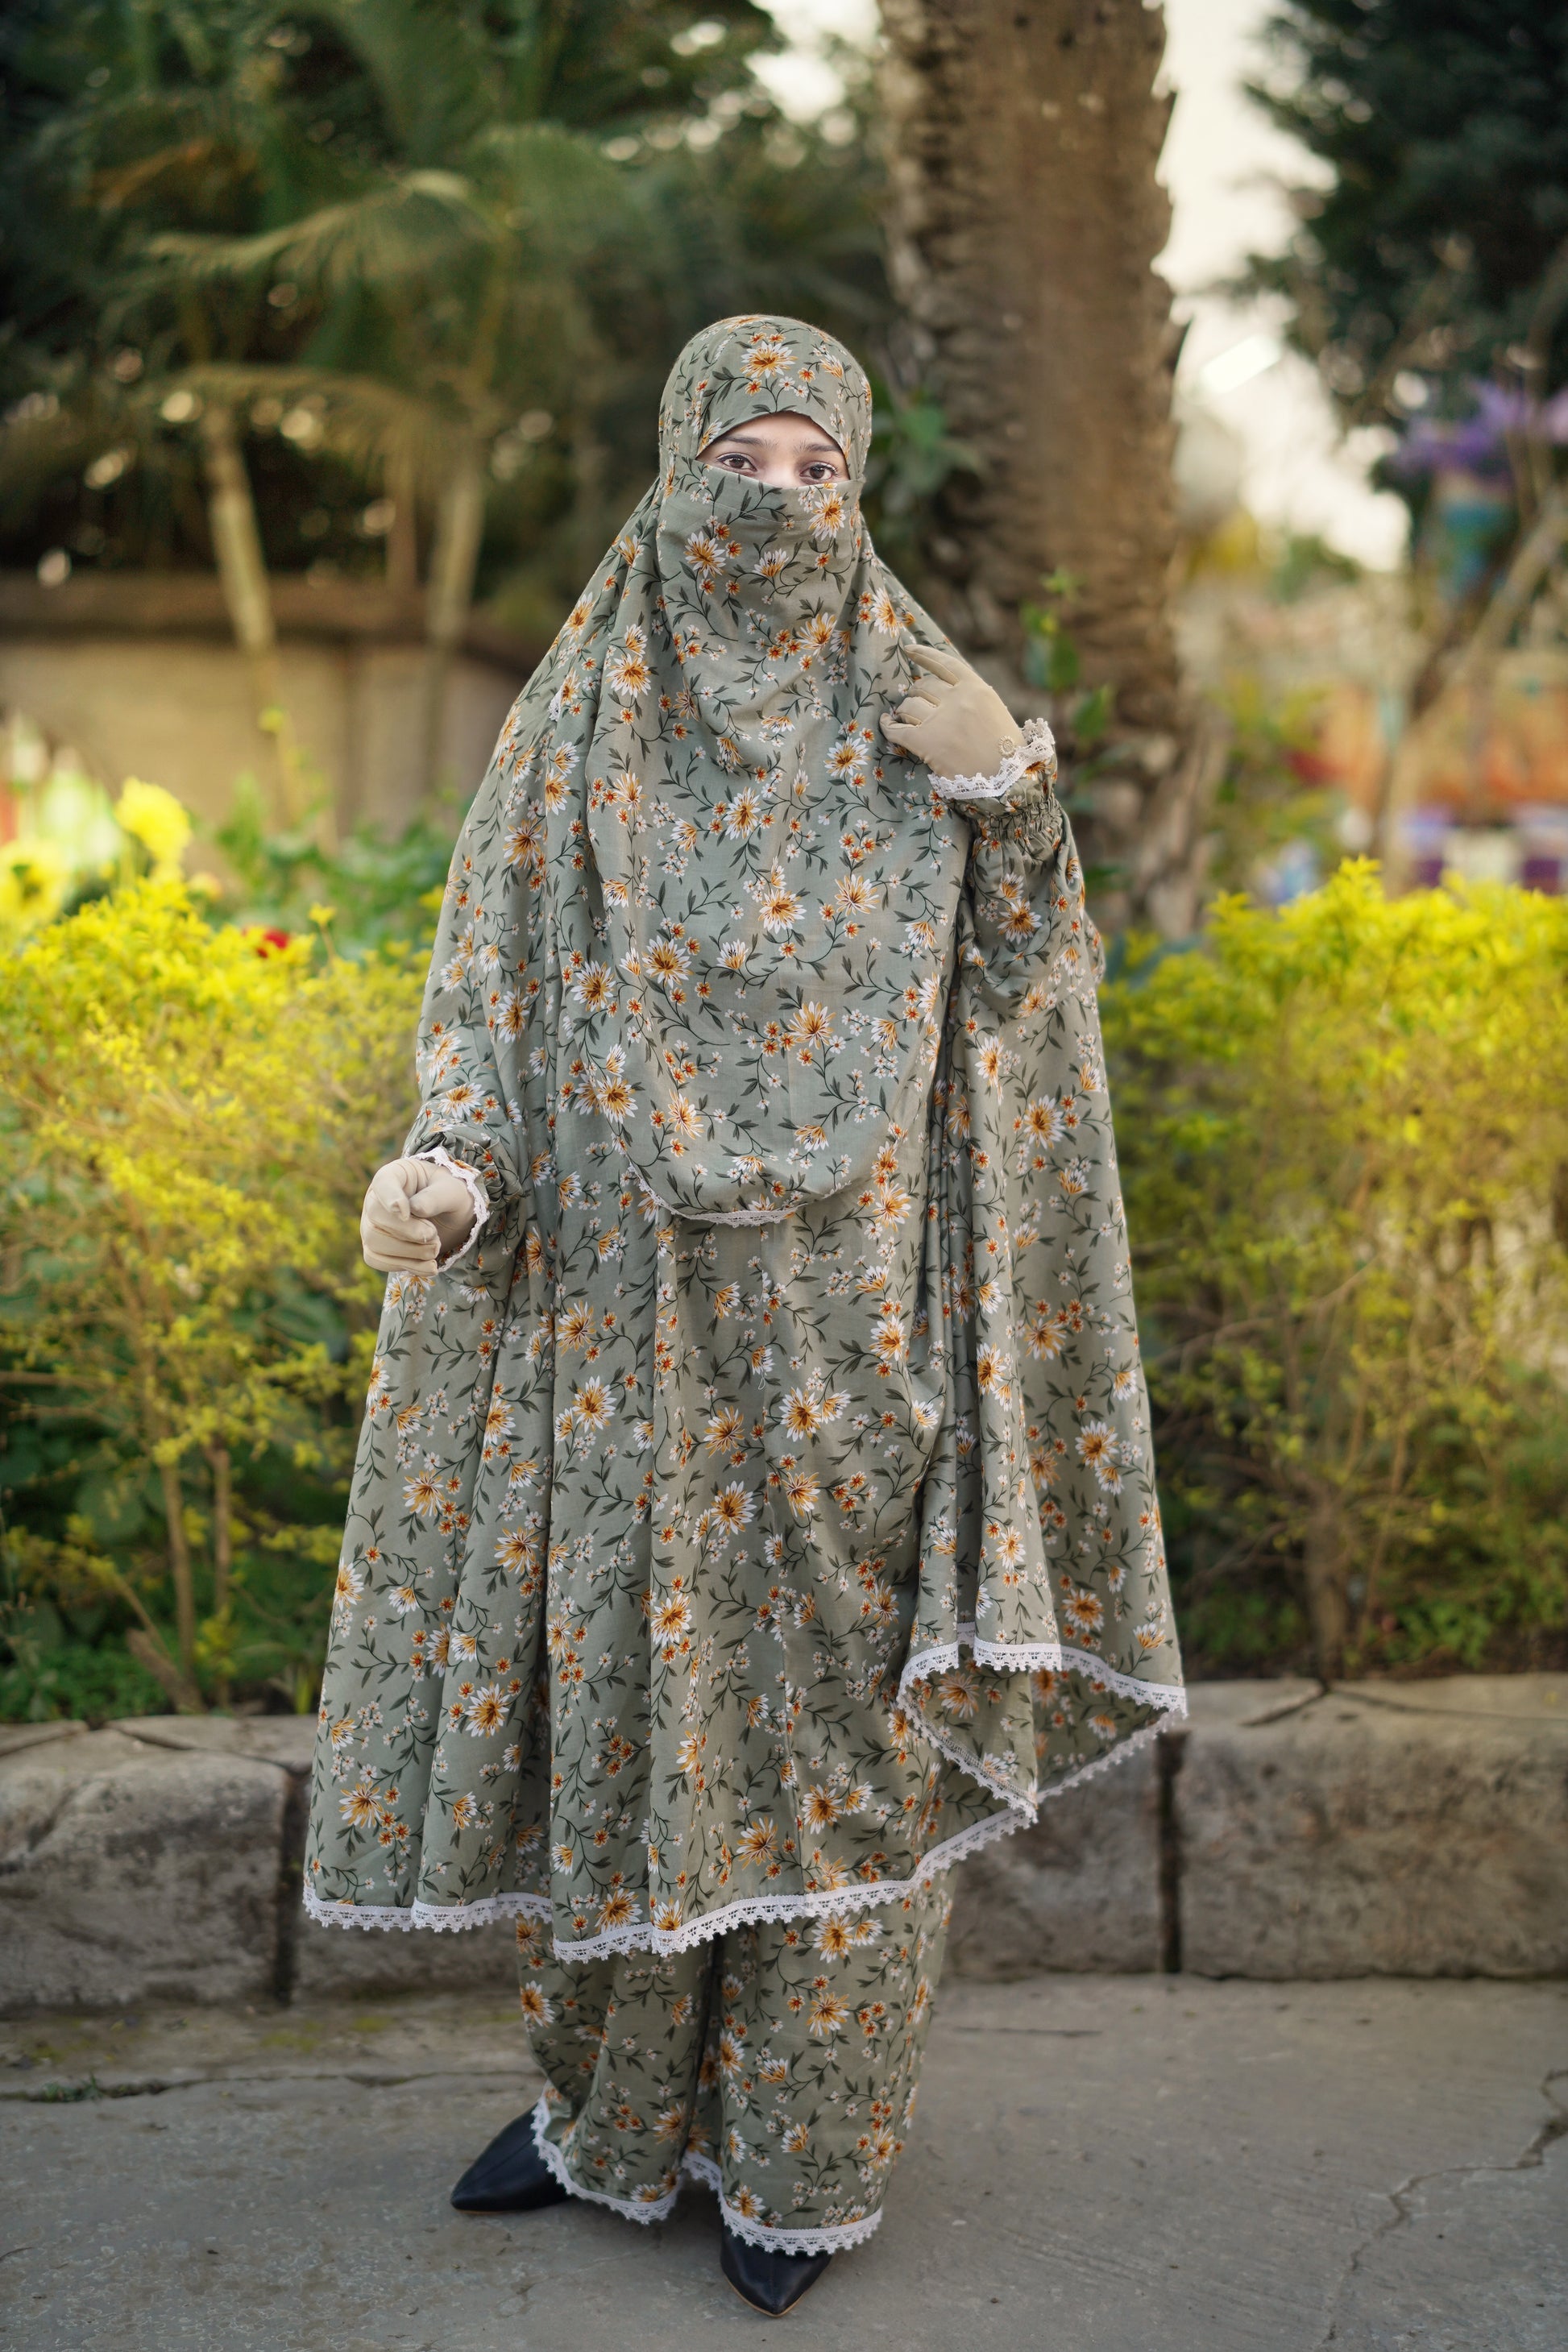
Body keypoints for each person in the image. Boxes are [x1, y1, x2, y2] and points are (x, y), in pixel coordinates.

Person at [305, 314, 1184, 2317]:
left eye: (816, 471)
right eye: (741, 464)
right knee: (614, 1725)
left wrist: (1013, 800)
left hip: (848, 1355)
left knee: (831, 1749)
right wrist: (448, 1170)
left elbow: (1026, 1002)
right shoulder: (576, 728)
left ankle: (801, 2158)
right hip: (612, 1350)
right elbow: (491, 1006)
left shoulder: (918, 707)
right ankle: (605, 2121)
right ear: (676, 467)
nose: (777, 505)